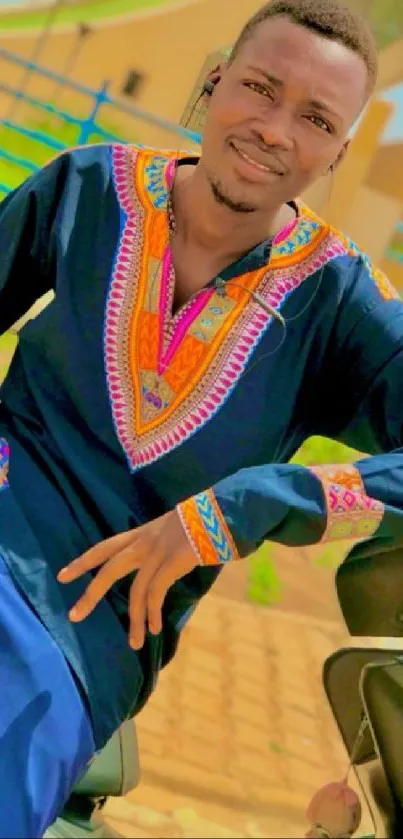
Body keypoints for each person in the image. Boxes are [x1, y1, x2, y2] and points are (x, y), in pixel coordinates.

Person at [0, 0, 401, 834]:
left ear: (335, 150)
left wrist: (249, 504)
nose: (274, 129)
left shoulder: (338, 305)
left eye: (315, 118)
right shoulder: (86, 189)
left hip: (84, 632)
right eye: (259, 87)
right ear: (215, 82)